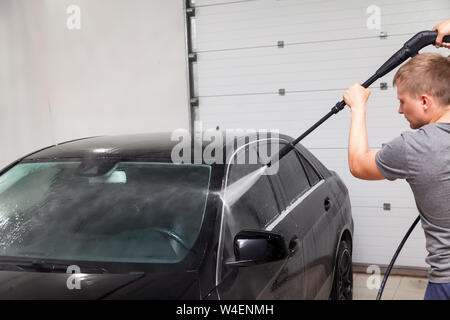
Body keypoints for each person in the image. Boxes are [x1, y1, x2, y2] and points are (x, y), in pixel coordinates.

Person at [343, 19, 450, 300]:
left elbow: (358, 163)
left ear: (425, 101)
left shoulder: (415, 146)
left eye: (403, 101)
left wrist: (358, 107)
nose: (400, 110)